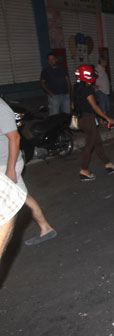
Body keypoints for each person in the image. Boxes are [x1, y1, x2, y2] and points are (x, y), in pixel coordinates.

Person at [0, 97, 56, 246]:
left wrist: (10, 169)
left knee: (6, 206)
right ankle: (46, 228)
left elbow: (15, 138)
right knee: (23, 197)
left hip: (6, 165)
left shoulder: (0, 108)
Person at [73, 65, 114, 181]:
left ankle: (108, 164)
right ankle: (84, 170)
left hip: (83, 119)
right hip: (88, 120)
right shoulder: (87, 89)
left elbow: (73, 105)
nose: (94, 76)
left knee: (97, 143)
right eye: (92, 74)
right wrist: (107, 118)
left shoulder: (77, 87)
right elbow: (94, 107)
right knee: (89, 146)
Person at [0, 172, 27, 259]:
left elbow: (10, 199)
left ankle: (45, 227)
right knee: (25, 199)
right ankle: (45, 227)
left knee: (24, 199)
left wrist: (11, 168)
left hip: (6, 167)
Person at [94, 57, 111, 123]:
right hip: (100, 91)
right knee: (102, 106)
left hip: (105, 90)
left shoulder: (102, 69)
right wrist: (94, 85)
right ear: (102, 62)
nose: (106, 63)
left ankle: (104, 120)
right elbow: (93, 78)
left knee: (106, 106)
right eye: (105, 61)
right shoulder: (97, 69)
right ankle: (103, 121)